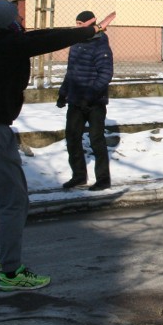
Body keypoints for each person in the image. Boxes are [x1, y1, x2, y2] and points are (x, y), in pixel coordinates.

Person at [0, 0, 115, 291]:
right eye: (18, 16)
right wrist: (88, 31)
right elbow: (46, 40)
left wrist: (84, 31)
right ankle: (11, 272)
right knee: (14, 200)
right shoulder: (8, 44)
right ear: (9, 22)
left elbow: (37, 35)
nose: (22, 20)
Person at [58, 10, 115, 191]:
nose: (77, 28)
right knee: (72, 138)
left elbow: (105, 75)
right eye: (76, 24)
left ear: (91, 25)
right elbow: (71, 72)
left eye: (81, 25)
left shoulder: (100, 45)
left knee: (96, 140)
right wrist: (63, 93)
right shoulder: (76, 44)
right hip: (75, 100)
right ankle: (79, 176)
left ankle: (103, 179)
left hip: (94, 103)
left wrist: (89, 96)